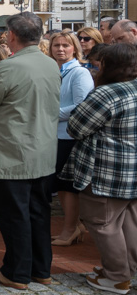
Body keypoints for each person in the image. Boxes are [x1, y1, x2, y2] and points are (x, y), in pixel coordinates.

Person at [0, 12, 60, 290]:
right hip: (42, 151)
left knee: (13, 215)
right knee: (38, 212)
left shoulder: (7, 68)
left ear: (11, 36)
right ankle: (40, 269)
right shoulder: (50, 64)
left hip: (11, 153)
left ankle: (16, 272)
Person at [61, 44, 137, 295]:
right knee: (129, 223)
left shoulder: (107, 93)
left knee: (103, 223)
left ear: (108, 65)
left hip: (107, 170)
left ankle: (117, 277)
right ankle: (127, 271)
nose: (94, 67)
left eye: (97, 63)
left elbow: (77, 127)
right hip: (130, 170)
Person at [47, 31, 95, 247]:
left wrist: (49, 113)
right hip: (56, 134)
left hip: (70, 135)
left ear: (74, 48)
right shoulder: (56, 70)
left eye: (65, 45)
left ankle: (70, 229)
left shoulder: (79, 73)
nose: (60, 49)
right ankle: (72, 227)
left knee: (68, 187)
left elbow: (82, 105)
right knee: (61, 186)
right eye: (56, 45)